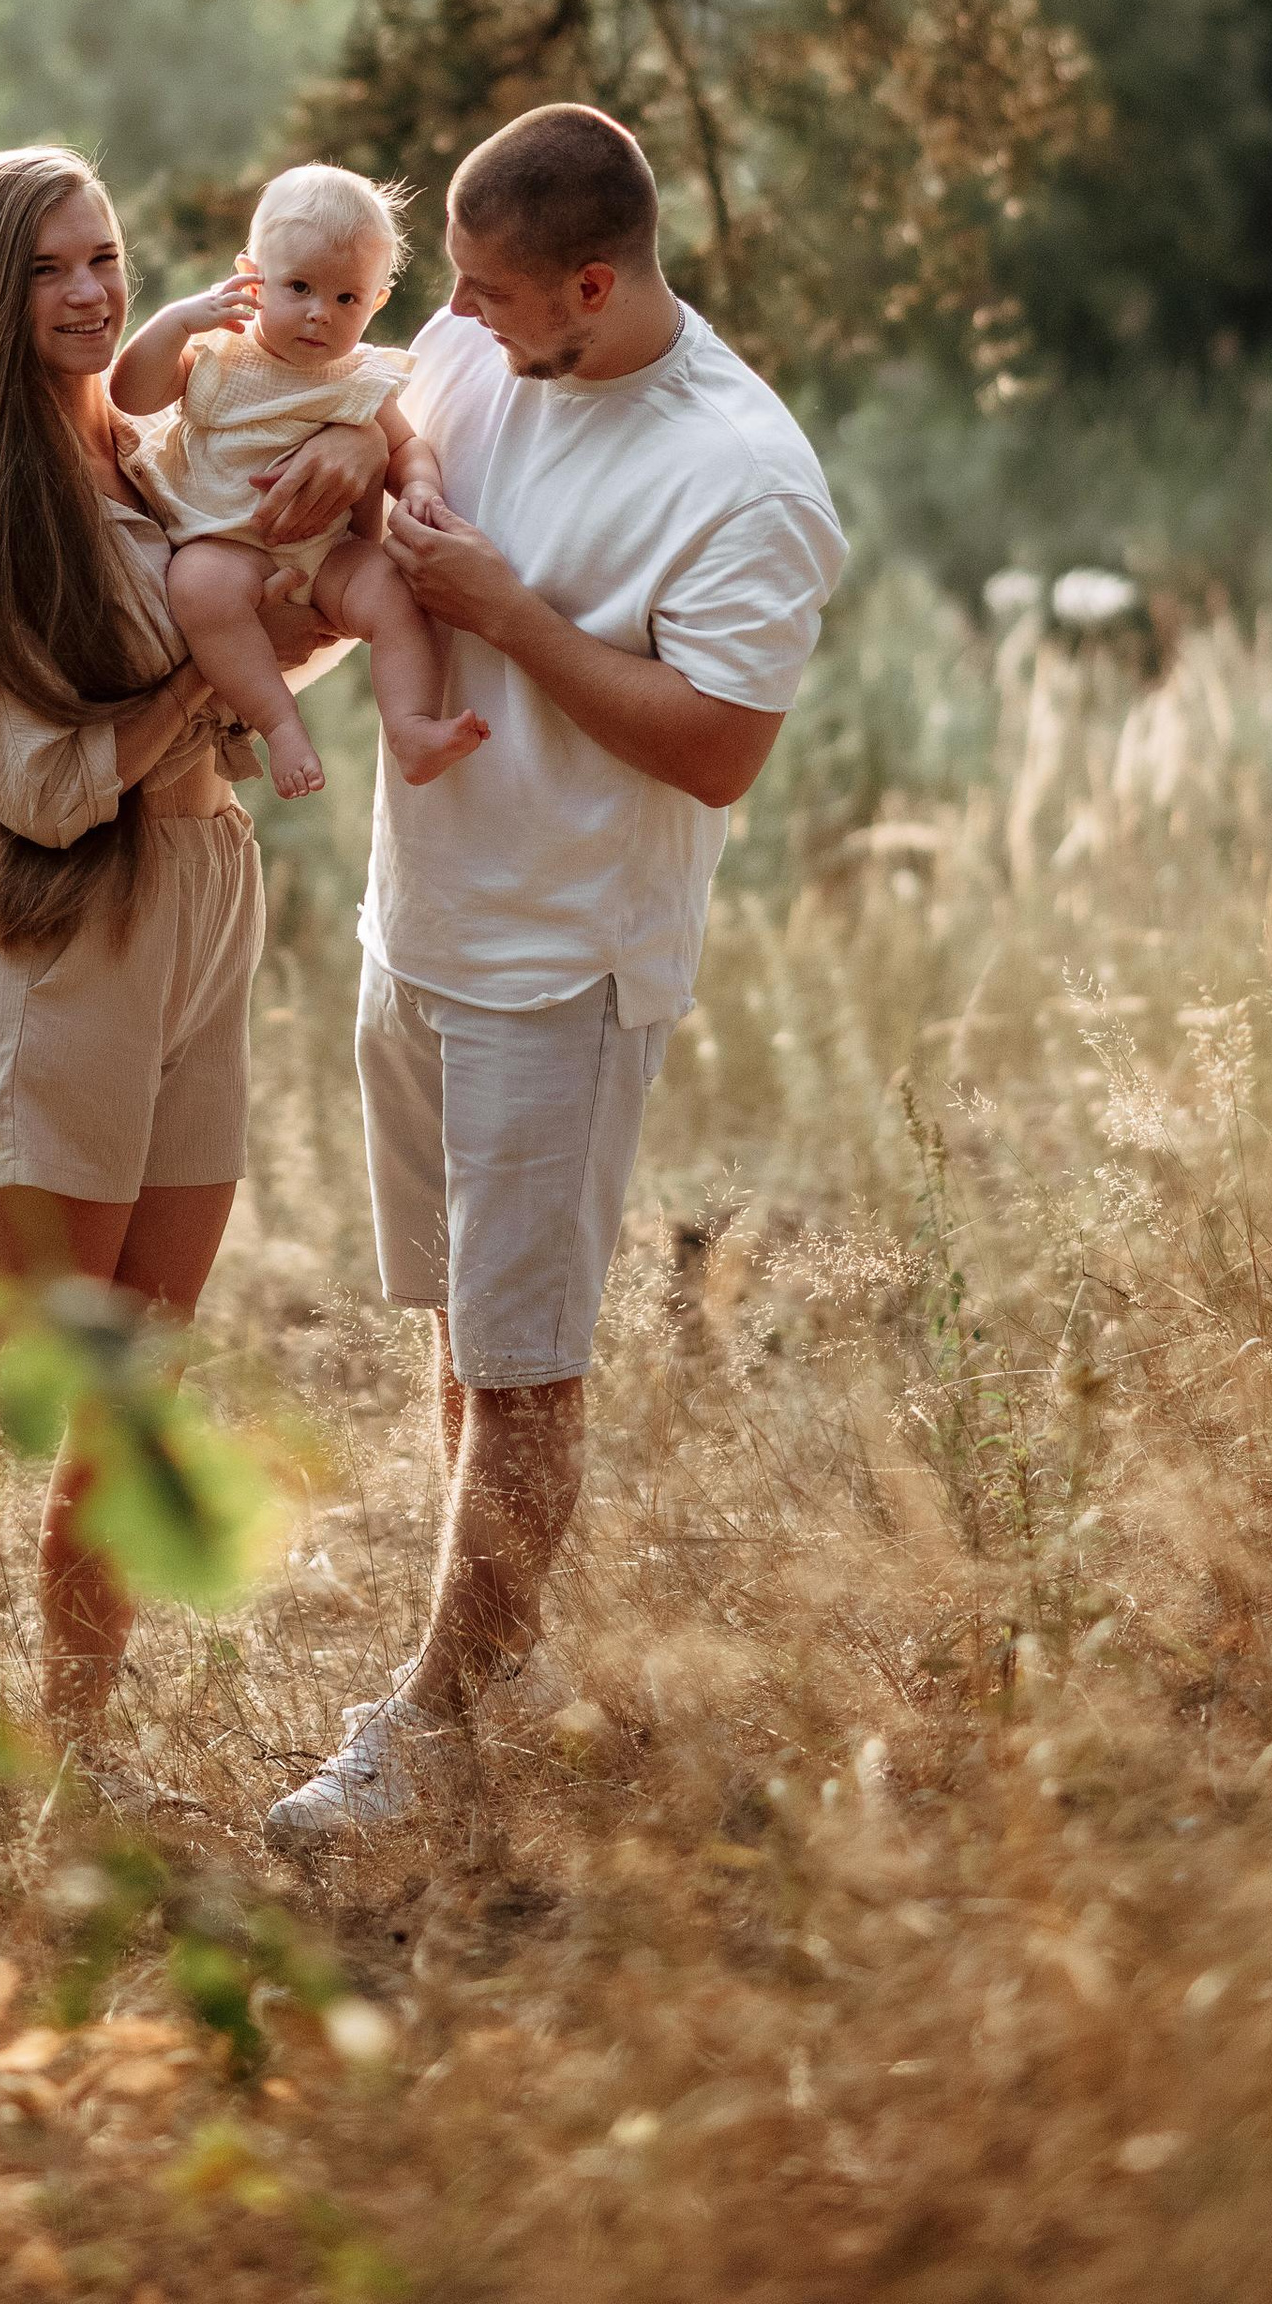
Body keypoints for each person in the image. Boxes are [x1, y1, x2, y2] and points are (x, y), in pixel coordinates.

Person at [262, 103, 847, 1851]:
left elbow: (723, 752)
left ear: (592, 284)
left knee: (525, 1368)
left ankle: (424, 1733)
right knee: (459, 1330)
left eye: (495, 289)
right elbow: (376, 458)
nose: (455, 314)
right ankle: (495, 1689)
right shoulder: (473, 338)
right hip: (418, 925)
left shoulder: (742, 475)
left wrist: (512, 615)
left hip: (560, 965)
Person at [0, 143, 380, 1748]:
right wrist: (205, 689)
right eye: (55, 269)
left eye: (108, 257)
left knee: (142, 1370)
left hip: (207, 902)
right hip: (73, 936)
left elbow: (266, 644)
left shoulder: (154, 452)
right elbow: (50, 786)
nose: (94, 291)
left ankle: (78, 1753)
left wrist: (333, 553)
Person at [113, 159, 488, 801]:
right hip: (225, 547)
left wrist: (420, 486)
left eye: (346, 299)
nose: (320, 314)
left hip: (329, 556)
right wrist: (178, 321)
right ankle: (280, 724)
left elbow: (407, 447)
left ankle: (410, 729)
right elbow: (131, 392)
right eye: (299, 288)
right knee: (198, 588)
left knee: (398, 591)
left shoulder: (360, 378)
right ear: (250, 281)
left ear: (376, 302)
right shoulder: (219, 355)